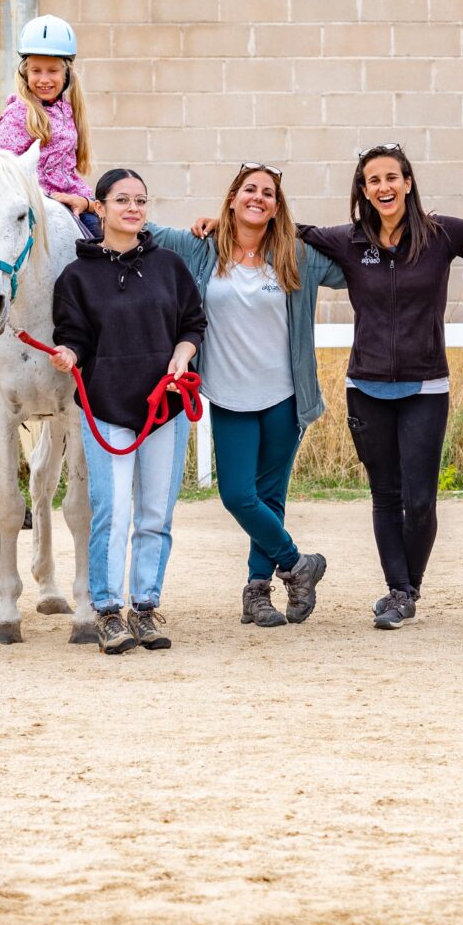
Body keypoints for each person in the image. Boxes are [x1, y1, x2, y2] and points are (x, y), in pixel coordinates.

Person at [147, 163, 339, 628]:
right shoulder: (199, 248)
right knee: (237, 494)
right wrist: (86, 204)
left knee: (270, 497)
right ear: (232, 199)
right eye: (249, 190)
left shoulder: (296, 255)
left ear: (277, 208)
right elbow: (143, 229)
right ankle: (298, 565)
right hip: (228, 395)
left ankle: (258, 593)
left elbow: (352, 262)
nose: (258, 197)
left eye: (268, 193)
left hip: (285, 396)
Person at [298, 144, 463, 631]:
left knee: (420, 500)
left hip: (425, 386)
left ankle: (408, 586)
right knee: (384, 495)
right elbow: (290, 231)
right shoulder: (349, 241)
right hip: (367, 386)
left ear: (408, 182)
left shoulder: (442, 235)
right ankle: (400, 591)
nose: (384, 187)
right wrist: (215, 225)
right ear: (363, 190)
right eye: (373, 180)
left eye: (391, 177)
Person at [49, 169, 206, 655]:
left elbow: (192, 324)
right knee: (112, 513)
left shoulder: (170, 266)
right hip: (107, 408)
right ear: (99, 207)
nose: (133, 208)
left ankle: (145, 606)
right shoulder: (76, 277)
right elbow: (73, 335)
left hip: (164, 406)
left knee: (156, 513)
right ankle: (108, 610)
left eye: (140, 200)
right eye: (122, 200)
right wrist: (70, 355)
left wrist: (182, 357)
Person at [0, 13, 101, 235]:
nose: (44, 79)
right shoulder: (18, 114)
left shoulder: (67, 110)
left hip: (72, 201)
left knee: (114, 246)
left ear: (66, 74)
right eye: (36, 70)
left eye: (52, 71)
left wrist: (84, 201)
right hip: (37, 205)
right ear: (25, 73)